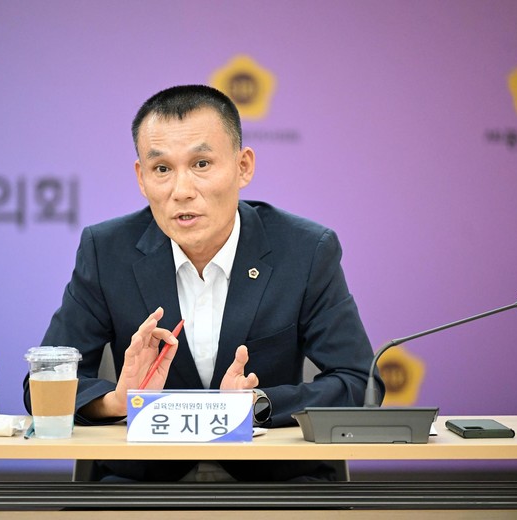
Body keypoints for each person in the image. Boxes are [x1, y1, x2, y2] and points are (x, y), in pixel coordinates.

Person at [23, 84, 382, 482]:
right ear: (141, 178)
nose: (182, 191)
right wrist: (117, 401)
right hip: (140, 487)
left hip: (274, 484)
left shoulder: (304, 250)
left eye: (201, 164)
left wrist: (257, 404)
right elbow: (42, 383)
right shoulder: (107, 251)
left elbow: (360, 383)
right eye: (162, 169)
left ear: (243, 167)